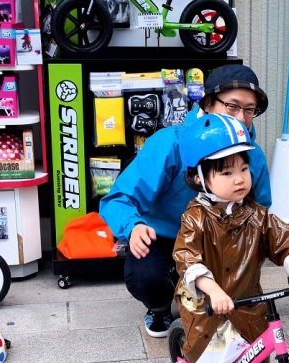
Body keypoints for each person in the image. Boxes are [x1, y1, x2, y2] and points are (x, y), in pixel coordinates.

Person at [172, 113, 289, 363]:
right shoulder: (196, 218)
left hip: (247, 301)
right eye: (227, 172)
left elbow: (284, 240)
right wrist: (211, 289)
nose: (239, 178)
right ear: (199, 177)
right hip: (205, 303)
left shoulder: (257, 215)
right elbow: (187, 257)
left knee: (258, 355)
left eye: (243, 169)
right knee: (208, 358)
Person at [100, 64, 272, 338]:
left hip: (218, 237)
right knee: (146, 277)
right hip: (163, 236)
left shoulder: (254, 156)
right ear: (208, 103)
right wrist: (133, 227)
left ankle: (220, 299)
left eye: (249, 110)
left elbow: (260, 208)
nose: (241, 117)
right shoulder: (170, 143)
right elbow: (118, 198)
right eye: (232, 106)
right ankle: (159, 306)